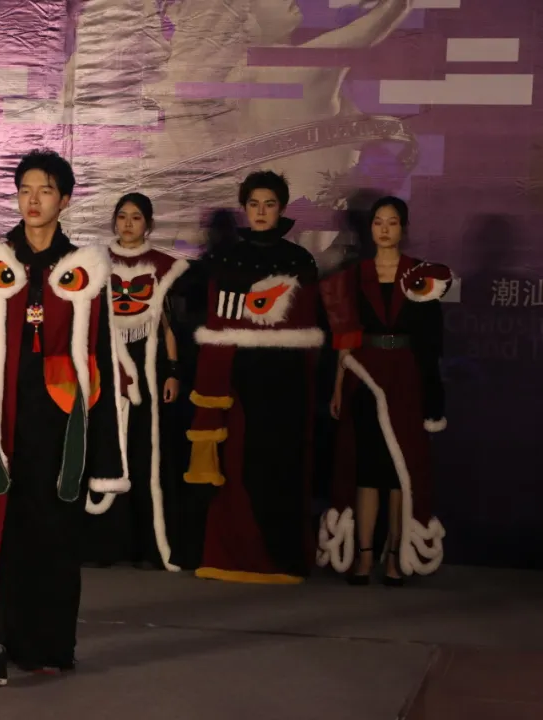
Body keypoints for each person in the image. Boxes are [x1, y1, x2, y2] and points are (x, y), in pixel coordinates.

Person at [0, 150, 129, 685]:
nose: (33, 200)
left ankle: (46, 645)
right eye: (25, 190)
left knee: (52, 535)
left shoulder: (85, 269)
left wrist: (106, 457)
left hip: (58, 429)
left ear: (65, 199)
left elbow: (102, 362)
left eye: (45, 190)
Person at [184, 170, 321, 584]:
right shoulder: (225, 261)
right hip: (239, 377)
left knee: (281, 466)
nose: (261, 212)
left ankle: (281, 558)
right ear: (244, 209)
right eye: (254, 204)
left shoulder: (300, 261)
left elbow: (310, 326)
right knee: (237, 464)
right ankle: (234, 556)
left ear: (282, 209)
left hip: (286, 380)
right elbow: (212, 322)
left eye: (269, 204)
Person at [318, 196, 450, 586]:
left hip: (406, 377)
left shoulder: (421, 275)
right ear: (370, 228)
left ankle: (394, 557)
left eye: (392, 222)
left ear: (403, 228)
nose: (385, 229)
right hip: (364, 375)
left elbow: (431, 342)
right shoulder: (353, 276)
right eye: (378, 222)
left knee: (400, 473)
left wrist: (432, 393)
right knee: (366, 469)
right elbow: (345, 336)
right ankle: (363, 557)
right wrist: (339, 386)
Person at [82, 193, 190, 571]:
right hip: (107, 366)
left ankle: (147, 544)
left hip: (148, 368)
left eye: (136, 217)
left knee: (146, 451)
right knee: (108, 447)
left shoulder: (163, 266)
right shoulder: (96, 262)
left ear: (148, 224)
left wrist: (173, 371)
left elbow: (168, 325)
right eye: (122, 216)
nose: (128, 224)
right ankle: (104, 543)